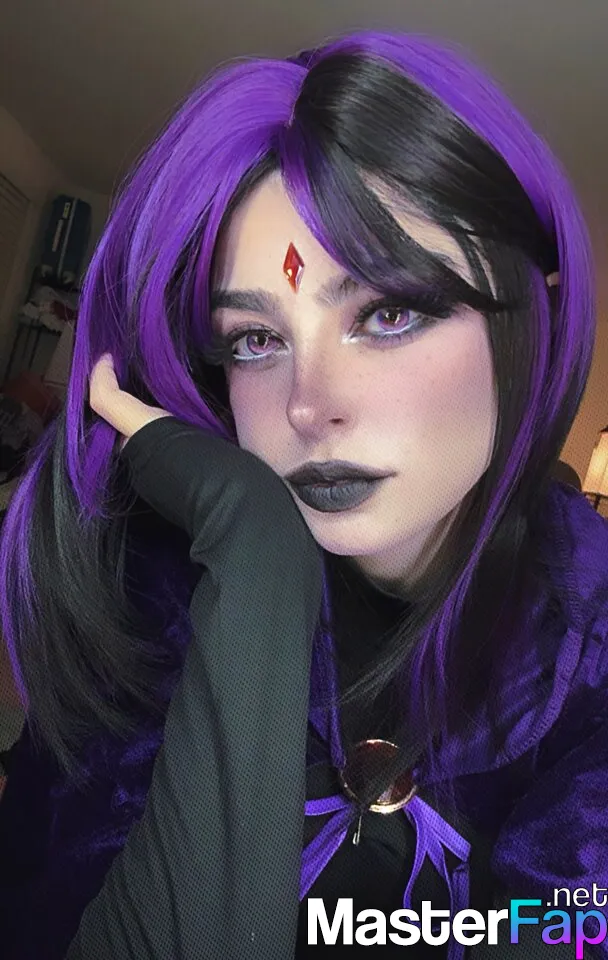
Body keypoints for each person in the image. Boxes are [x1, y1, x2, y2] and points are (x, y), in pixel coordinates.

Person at [0, 28, 606, 960]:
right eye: (255, 339)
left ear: (539, 317)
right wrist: (256, 562)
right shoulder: (155, 581)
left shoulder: (586, 658)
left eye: (389, 312)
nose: (307, 405)